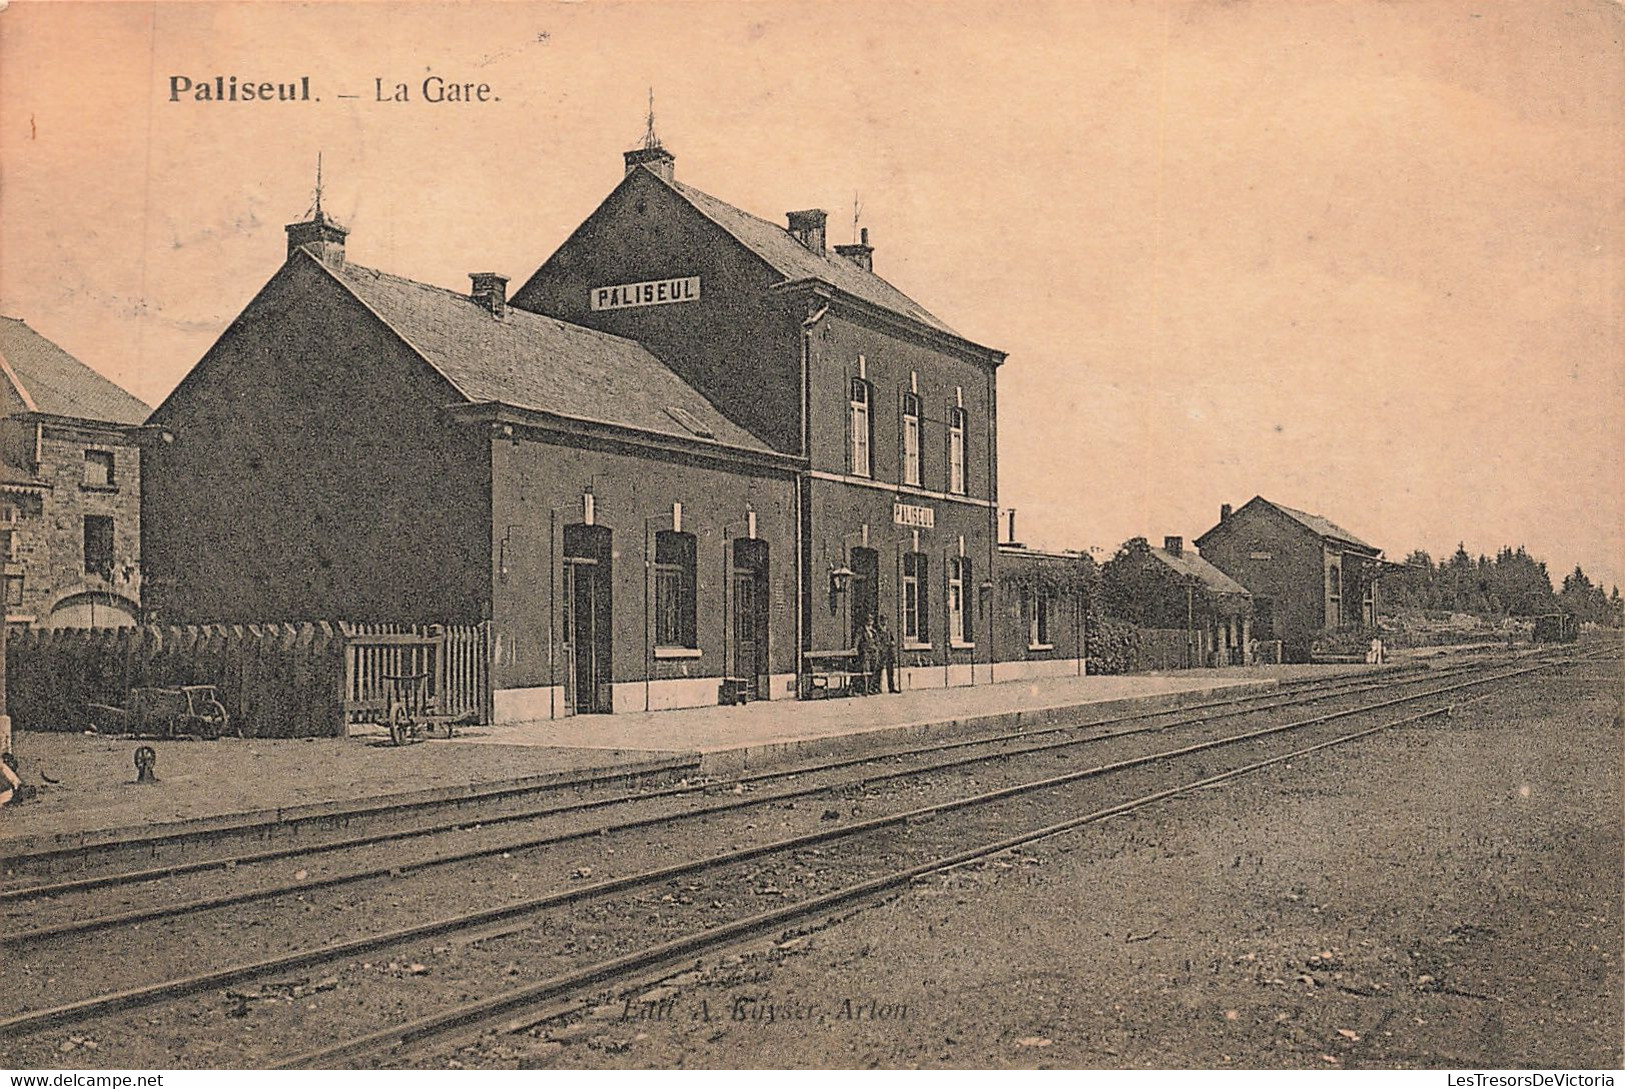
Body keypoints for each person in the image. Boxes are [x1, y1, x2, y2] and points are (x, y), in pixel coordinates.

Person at [874, 614, 900, 693]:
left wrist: (892, 642)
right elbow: (877, 641)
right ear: (880, 621)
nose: (884, 622)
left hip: (889, 653)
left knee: (890, 671)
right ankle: (877, 688)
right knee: (879, 671)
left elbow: (892, 640)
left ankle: (891, 688)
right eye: (883, 620)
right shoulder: (878, 631)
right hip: (881, 653)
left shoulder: (888, 631)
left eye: (886, 620)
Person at [855, 615, 879, 696]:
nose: (870, 622)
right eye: (869, 620)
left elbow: (877, 641)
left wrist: (877, 648)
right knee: (866, 670)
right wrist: (855, 647)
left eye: (871, 620)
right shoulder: (862, 630)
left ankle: (869, 688)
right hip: (866, 653)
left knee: (873, 670)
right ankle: (865, 689)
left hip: (874, 653)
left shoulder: (873, 631)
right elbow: (857, 639)